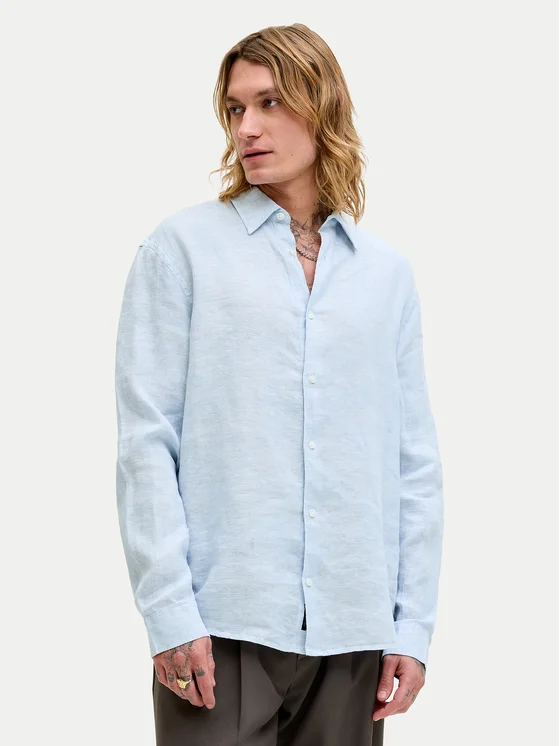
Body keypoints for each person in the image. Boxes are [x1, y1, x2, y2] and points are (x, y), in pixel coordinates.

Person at [114, 22, 444, 746]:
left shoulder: (386, 275)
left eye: (269, 102)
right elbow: (146, 443)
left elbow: (413, 463)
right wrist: (169, 613)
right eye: (235, 109)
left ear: (321, 105)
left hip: (354, 634)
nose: (247, 128)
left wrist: (411, 626)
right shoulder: (183, 250)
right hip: (220, 629)